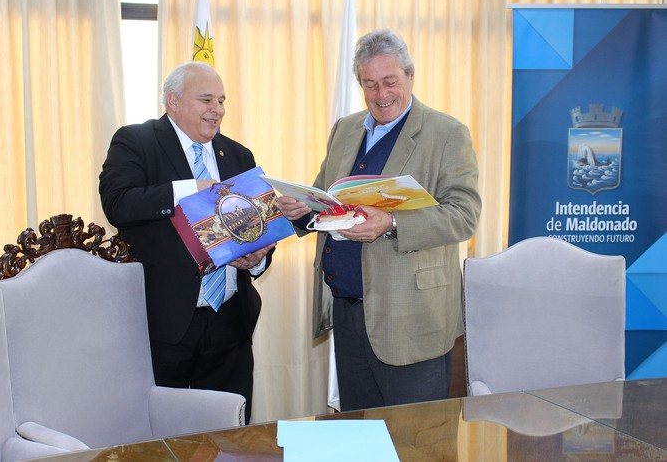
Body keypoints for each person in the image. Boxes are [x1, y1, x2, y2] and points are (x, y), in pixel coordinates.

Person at [277, 29, 481, 411]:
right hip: (349, 314)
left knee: (417, 445)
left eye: (390, 81)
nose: (381, 94)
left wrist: (391, 223)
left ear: (410, 75)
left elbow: (465, 215)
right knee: (361, 437)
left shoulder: (447, 134)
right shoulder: (345, 129)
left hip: (412, 319)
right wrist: (303, 211)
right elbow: (327, 197)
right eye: (369, 84)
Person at [99, 61, 274, 423]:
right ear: (173, 101)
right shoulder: (136, 141)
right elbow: (118, 203)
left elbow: (254, 229)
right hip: (165, 324)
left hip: (230, 322)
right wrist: (189, 190)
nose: (218, 110)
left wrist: (256, 258)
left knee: (230, 436)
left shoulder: (239, 156)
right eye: (207, 99)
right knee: (163, 436)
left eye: (222, 100)